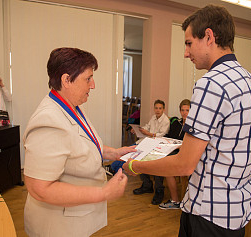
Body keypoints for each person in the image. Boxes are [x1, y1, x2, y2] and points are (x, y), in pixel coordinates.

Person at [123, 5, 251, 236]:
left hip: (207, 214)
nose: (186, 52)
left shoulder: (211, 83)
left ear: (209, 36)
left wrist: (135, 166)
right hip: (236, 213)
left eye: (189, 43)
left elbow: (184, 165)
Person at [22, 48, 135, 237]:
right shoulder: (49, 120)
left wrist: (113, 153)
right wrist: (104, 193)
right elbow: (40, 189)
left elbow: (79, 145)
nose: (93, 85)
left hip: (75, 220)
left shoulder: (70, 106)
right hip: (58, 227)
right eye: (88, 78)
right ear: (66, 80)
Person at [132, 99, 170, 205]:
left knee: (157, 164)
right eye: (156, 108)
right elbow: (147, 127)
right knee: (139, 159)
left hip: (159, 145)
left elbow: (161, 135)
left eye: (160, 108)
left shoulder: (166, 120)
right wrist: (139, 129)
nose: (157, 110)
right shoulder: (153, 117)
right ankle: (147, 184)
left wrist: (148, 133)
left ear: (164, 109)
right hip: (149, 142)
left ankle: (159, 190)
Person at [159, 99, 190, 210]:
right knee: (160, 159)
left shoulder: (193, 126)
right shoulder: (176, 123)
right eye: (182, 110)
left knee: (168, 169)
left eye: (187, 110)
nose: (184, 113)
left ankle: (175, 200)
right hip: (173, 150)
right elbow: (170, 138)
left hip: (186, 154)